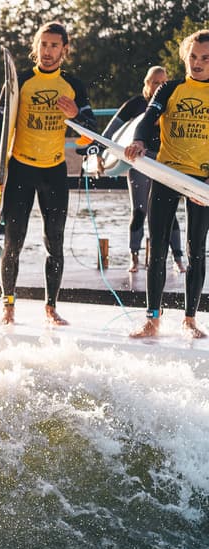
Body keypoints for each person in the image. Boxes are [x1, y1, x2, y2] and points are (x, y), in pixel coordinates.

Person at [0, 21, 97, 327]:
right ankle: (8, 305)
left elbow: (91, 132)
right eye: (43, 45)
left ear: (65, 49)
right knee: (13, 241)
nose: (47, 52)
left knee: (55, 242)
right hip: (21, 169)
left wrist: (76, 115)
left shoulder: (74, 85)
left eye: (54, 46)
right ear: (36, 47)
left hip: (54, 172)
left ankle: (51, 307)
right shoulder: (19, 81)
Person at [126, 30, 209, 340]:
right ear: (184, 57)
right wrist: (139, 141)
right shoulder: (169, 89)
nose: (198, 63)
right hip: (166, 174)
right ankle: (153, 319)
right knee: (157, 247)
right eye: (193, 57)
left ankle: (190, 319)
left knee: (196, 250)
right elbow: (148, 118)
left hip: (201, 180)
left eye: (205, 58)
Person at [100, 67, 185, 274]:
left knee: (169, 212)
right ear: (146, 84)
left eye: (162, 82)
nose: (158, 86)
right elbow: (110, 131)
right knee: (139, 210)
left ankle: (178, 258)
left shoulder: (170, 103)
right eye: (154, 82)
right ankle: (134, 257)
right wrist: (98, 155)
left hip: (165, 163)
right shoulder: (136, 104)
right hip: (139, 162)